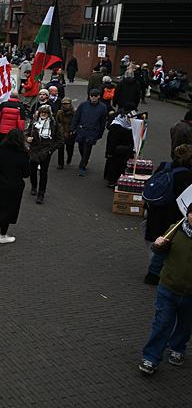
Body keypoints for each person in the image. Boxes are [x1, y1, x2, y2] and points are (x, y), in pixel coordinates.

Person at [138, 203, 192, 376]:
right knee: (162, 323)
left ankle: (177, 347)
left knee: (186, 324)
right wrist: (158, 244)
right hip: (168, 287)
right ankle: (151, 357)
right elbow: (158, 251)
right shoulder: (175, 229)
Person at [143, 144, 192, 285]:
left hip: (155, 213)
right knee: (166, 245)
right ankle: (157, 275)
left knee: (156, 243)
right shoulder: (187, 176)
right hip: (172, 216)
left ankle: (152, 274)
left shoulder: (165, 166)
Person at [0, 129, 30, 244]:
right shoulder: (23, 154)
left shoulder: (2, 149)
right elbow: (26, 173)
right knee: (9, 209)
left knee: (0, 206)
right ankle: (3, 235)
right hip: (14, 185)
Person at [26, 104, 64, 204]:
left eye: (45, 112)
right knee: (32, 170)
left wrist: (50, 150)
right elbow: (26, 133)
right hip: (34, 150)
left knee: (43, 173)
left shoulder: (54, 124)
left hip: (45, 151)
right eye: (42, 112)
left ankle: (41, 194)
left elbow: (60, 140)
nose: (43, 114)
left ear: (49, 114)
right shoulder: (34, 123)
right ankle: (34, 186)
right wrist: (27, 138)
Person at [71, 88, 108, 177]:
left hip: (93, 131)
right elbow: (77, 116)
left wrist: (100, 133)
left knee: (87, 149)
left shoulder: (102, 107)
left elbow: (103, 122)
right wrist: (73, 128)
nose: (93, 97)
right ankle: (84, 160)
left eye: (95, 96)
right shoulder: (83, 105)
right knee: (81, 147)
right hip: (82, 130)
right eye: (91, 95)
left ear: (99, 96)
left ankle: (82, 167)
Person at [103, 108, 137, 188]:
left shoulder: (130, 126)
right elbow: (111, 141)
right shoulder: (116, 125)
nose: (131, 120)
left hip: (125, 151)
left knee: (122, 167)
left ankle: (120, 181)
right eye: (129, 118)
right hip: (116, 151)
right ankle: (112, 181)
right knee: (114, 166)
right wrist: (109, 152)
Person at [55, 98, 76, 170]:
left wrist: (72, 131)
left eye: (67, 104)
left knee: (69, 148)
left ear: (70, 104)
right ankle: (60, 164)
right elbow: (57, 122)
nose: (65, 105)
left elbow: (75, 123)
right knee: (60, 149)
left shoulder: (74, 112)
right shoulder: (59, 112)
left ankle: (69, 157)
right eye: (63, 104)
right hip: (61, 133)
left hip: (70, 133)